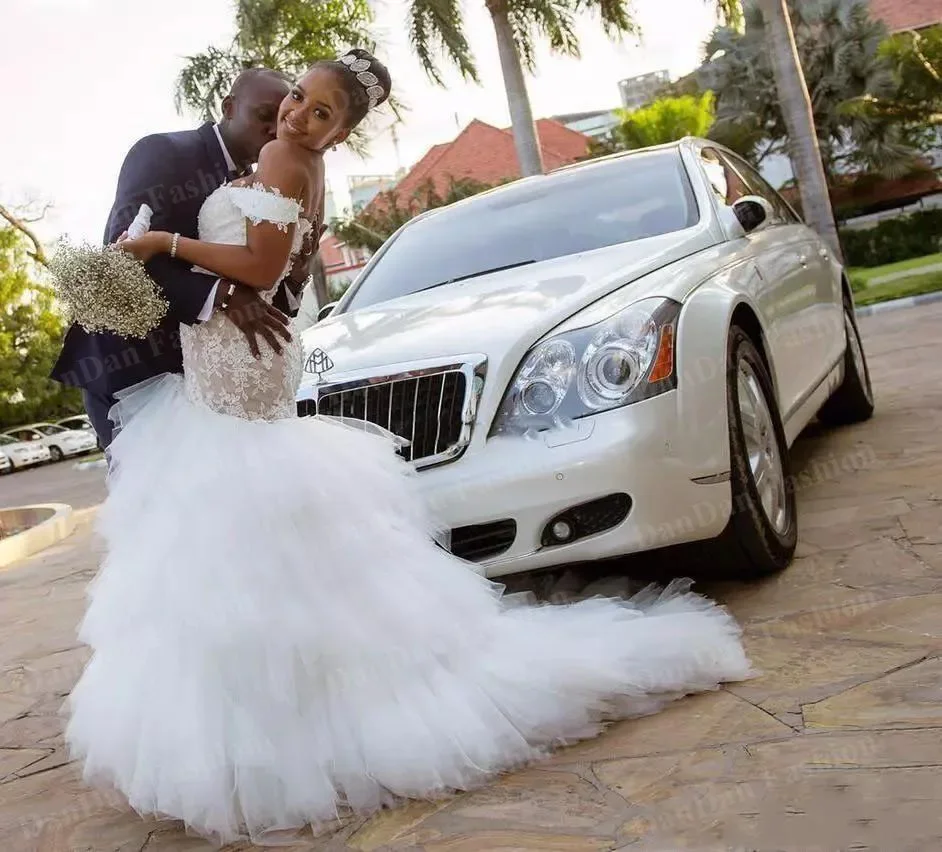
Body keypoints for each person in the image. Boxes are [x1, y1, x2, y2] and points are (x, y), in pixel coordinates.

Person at [64, 49, 753, 846]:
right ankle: (293, 706)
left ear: (341, 128)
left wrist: (177, 253)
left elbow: (255, 265)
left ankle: (280, 732)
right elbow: (175, 258)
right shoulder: (201, 157)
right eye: (291, 101)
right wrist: (204, 278)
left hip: (234, 365)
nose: (291, 117)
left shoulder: (288, 161)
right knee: (239, 528)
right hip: (219, 357)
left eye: (317, 110)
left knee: (226, 521)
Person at [50, 68, 305, 450]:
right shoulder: (163, 152)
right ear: (229, 107)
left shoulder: (263, 185)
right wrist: (222, 293)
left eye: (280, 118)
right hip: (135, 368)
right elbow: (123, 257)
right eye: (263, 115)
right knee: (158, 501)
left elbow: (257, 270)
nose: (273, 128)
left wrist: (294, 273)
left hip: (210, 375)